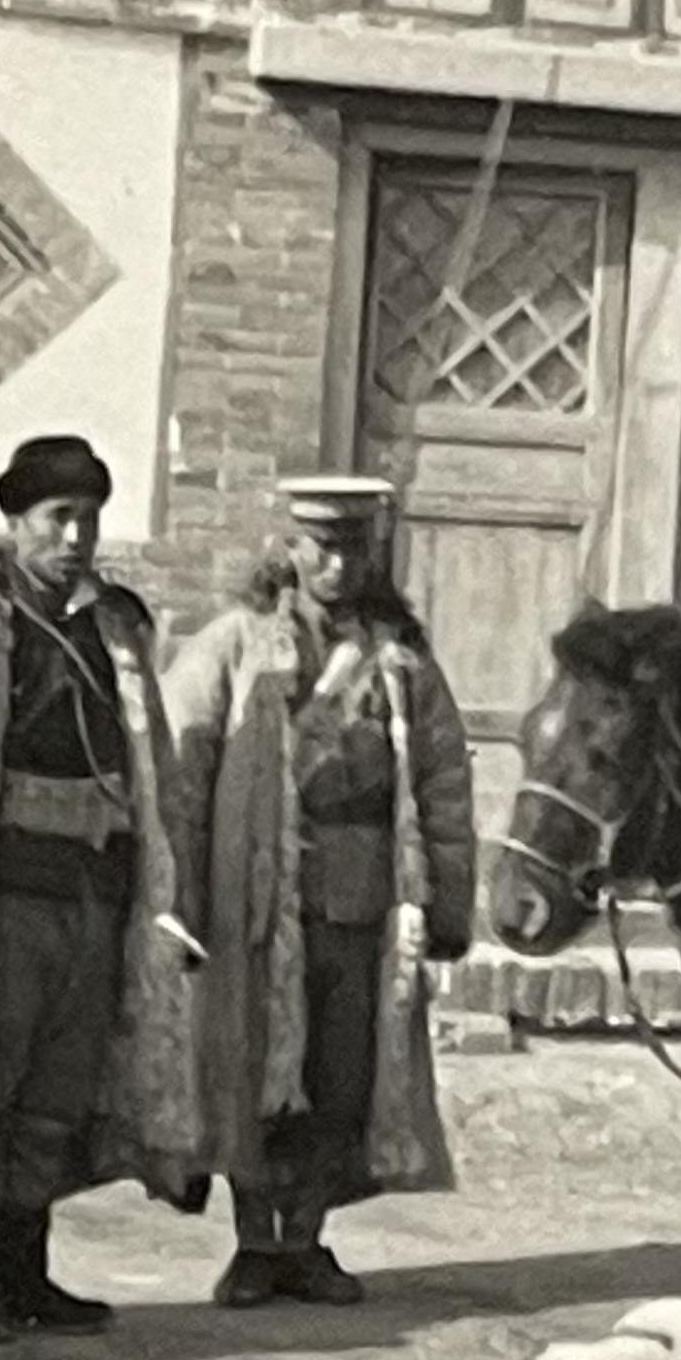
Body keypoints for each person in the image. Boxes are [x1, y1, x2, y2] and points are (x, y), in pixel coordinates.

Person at [0, 433, 211, 1344]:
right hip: (4, 902)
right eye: (58, 517)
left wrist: (167, 895)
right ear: (15, 520)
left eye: (90, 518)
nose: (76, 537)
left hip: (96, 895)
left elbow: (157, 768)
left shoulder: (117, 632)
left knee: (59, 1095)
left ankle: (28, 1272)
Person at [164, 476, 478, 1309]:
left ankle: (303, 1240)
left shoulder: (401, 662)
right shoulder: (233, 645)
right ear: (290, 549)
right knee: (252, 1073)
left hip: (360, 906)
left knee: (341, 1078)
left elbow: (444, 782)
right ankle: (253, 1243)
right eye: (322, 547)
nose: (337, 565)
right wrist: (180, 896)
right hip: (255, 902)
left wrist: (447, 901)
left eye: (354, 549)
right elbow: (182, 775)